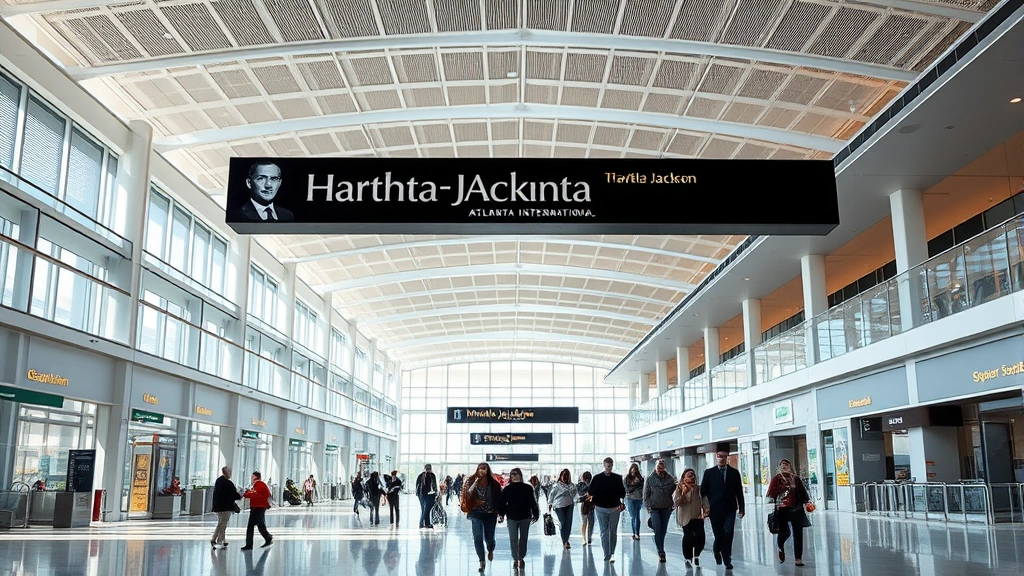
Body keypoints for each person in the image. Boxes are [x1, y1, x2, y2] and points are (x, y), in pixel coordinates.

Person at [700, 451, 744, 570]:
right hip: (715, 509)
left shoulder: (734, 473)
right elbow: (702, 491)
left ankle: (727, 559)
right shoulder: (709, 473)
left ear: (727, 458)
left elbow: (739, 492)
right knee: (719, 535)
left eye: (724, 457)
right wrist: (703, 507)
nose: (721, 459)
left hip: (730, 508)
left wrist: (742, 508)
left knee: (729, 533)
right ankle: (716, 550)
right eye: (719, 456)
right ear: (716, 457)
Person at [766, 459, 811, 567]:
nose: (785, 468)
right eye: (783, 466)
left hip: (796, 509)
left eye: (787, 466)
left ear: (790, 468)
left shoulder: (795, 479)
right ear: (779, 468)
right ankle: (780, 545)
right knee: (785, 532)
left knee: (798, 533)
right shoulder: (776, 479)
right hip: (782, 510)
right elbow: (770, 494)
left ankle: (798, 558)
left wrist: (807, 502)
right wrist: (783, 487)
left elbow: (803, 493)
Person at [462, 462, 502, 572]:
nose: (482, 470)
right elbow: (468, 494)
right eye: (480, 468)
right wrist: (476, 481)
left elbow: (499, 499)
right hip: (476, 513)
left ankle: (490, 550)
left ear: (488, 470)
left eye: (484, 468)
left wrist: (501, 513)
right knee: (477, 537)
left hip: (490, 514)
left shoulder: (494, 484)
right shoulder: (471, 480)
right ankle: (481, 561)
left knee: (489, 538)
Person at [497, 468, 540, 569]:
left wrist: (536, 513)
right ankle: (516, 558)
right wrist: (501, 514)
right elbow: (502, 503)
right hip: (512, 517)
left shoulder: (527, 488)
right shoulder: (507, 489)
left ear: (520, 475)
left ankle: (521, 558)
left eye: (516, 474)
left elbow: (532, 502)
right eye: (512, 474)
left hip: (525, 516)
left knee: (523, 539)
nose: (514, 476)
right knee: (513, 539)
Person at [588, 457, 626, 563]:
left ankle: (612, 552)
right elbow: (591, 491)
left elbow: (622, 493)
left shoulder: (617, 478)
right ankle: (606, 553)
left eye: (610, 465)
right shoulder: (597, 478)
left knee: (612, 531)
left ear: (612, 465)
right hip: (601, 508)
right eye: (607, 465)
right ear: (604, 465)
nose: (608, 467)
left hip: (614, 508)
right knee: (604, 531)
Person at [643, 459, 677, 563]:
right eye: (658, 466)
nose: (660, 468)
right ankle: (661, 551)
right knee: (658, 528)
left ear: (664, 467)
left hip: (666, 507)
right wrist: (648, 506)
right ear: (655, 467)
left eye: (661, 466)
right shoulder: (650, 479)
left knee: (663, 530)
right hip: (654, 508)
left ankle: (660, 545)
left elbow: (675, 491)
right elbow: (646, 494)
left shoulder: (670, 479)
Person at [674, 468, 708, 569]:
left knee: (701, 538)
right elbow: (677, 502)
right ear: (684, 477)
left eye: (693, 474)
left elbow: (704, 498)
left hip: (697, 516)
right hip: (685, 517)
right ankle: (688, 558)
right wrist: (685, 492)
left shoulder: (698, 488)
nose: (691, 476)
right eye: (689, 475)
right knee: (688, 537)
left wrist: (706, 507)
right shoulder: (680, 488)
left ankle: (696, 554)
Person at [241, 471, 273, 550]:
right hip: (259, 507)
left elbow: (255, 495)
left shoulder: (259, 484)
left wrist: (246, 493)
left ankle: (249, 544)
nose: (251, 478)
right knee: (260, 524)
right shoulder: (260, 485)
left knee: (250, 526)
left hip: (257, 507)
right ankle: (268, 537)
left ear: (255, 477)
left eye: (252, 477)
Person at [210, 466, 240, 548]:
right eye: (229, 472)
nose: (230, 474)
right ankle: (214, 539)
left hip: (218, 506)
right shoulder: (227, 483)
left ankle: (222, 540)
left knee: (223, 523)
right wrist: (240, 495)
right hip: (225, 507)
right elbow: (234, 494)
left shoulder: (219, 480)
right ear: (227, 472)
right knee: (222, 523)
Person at [547, 469, 577, 550]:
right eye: (564, 476)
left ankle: (566, 540)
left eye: (567, 475)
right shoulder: (556, 485)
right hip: (559, 506)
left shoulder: (572, 485)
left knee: (568, 523)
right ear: (560, 476)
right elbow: (551, 495)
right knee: (563, 522)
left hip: (569, 505)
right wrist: (550, 503)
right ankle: (564, 540)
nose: (565, 477)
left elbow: (575, 495)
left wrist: (572, 491)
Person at [623, 462, 644, 541]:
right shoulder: (627, 478)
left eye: (635, 471)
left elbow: (643, 488)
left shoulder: (640, 478)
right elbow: (626, 489)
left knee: (637, 517)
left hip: (638, 498)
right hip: (630, 499)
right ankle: (634, 532)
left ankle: (637, 533)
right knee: (633, 516)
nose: (633, 473)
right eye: (632, 471)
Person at [416, 464, 438, 529]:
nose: (428, 469)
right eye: (427, 468)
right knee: (424, 509)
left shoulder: (431, 475)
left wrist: (435, 492)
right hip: (423, 494)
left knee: (427, 509)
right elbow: (420, 485)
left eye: (429, 468)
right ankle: (421, 524)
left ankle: (427, 523)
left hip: (429, 494)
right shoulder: (422, 475)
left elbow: (434, 485)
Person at [577, 471, 595, 546]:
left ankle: (588, 538)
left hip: (590, 505)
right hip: (585, 505)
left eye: (589, 478)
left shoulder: (592, 485)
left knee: (590, 523)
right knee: (586, 522)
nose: (587, 480)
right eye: (586, 478)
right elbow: (579, 495)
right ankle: (585, 538)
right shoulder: (580, 485)